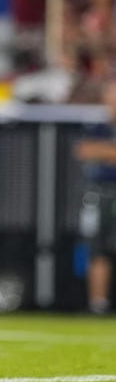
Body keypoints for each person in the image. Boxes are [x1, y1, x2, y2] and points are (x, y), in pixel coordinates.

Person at [75, 76, 116, 314]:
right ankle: (97, 303)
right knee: (98, 248)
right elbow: (84, 150)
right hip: (101, 193)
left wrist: (106, 152)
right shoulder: (98, 127)